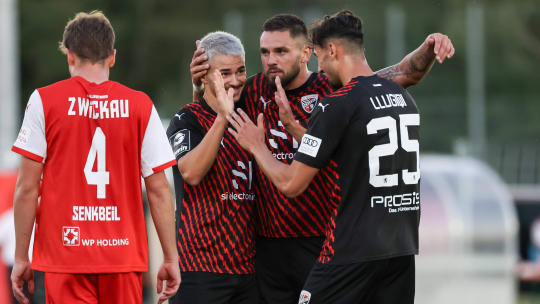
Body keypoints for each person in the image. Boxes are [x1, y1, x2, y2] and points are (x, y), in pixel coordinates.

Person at [191, 13, 454, 304]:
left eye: (281, 51)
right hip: (280, 247)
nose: (270, 60)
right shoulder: (252, 91)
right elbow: (212, 105)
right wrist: (201, 81)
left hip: (331, 242)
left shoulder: (334, 94)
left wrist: (260, 144)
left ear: (311, 53)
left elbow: (293, 182)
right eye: (264, 52)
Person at [10, 11, 180, 304]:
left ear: (70, 56)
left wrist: (21, 256)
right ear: (112, 57)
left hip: (65, 253)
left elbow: (26, 188)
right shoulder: (140, 105)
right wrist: (170, 256)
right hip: (122, 254)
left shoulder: (44, 101)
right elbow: (159, 188)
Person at [167, 31, 258, 304]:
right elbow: (191, 173)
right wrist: (222, 115)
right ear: (204, 75)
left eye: (241, 71)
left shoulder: (252, 111)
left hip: (248, 271)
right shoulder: (187, 119)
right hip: (199, 269)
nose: (235, 80)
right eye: (225, 73)